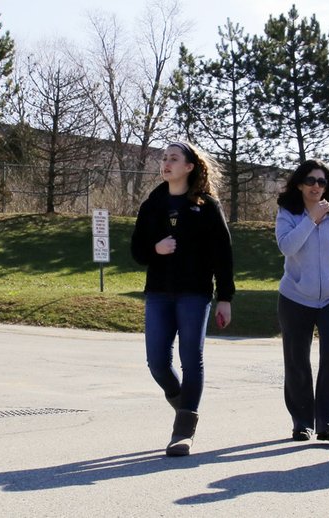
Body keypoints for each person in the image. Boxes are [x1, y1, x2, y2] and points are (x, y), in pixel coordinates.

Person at [130, 141, 235, 457]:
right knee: (157, 363)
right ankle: (183, 404)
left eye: (173, 158)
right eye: (164, 158)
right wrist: (155, 249)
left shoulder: (207, 207)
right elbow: (136, 251)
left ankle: (183, 433)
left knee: (191, 360)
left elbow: (223, 256)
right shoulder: (152, 205)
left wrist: (225, 298)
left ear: (189, 166)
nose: (166, 163)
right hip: (159, 293)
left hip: (195, 293)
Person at [275, 159, 329, 443]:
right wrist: (311, 220)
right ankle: (302, 422)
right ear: (299, 184)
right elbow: (287, 246)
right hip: (295, 297)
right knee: (297, 360)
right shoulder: (288, 212)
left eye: (322, 182)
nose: (316, 187)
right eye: (310, 181)